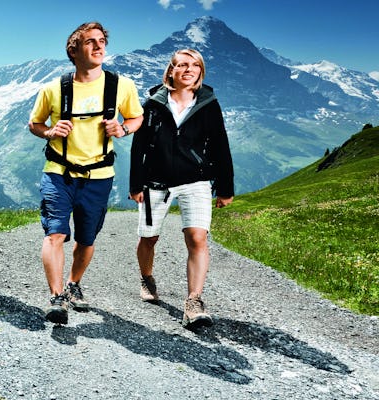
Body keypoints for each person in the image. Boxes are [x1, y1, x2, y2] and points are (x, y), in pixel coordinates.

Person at [27, 22, 144, 324]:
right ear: (74, 50)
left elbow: (136, 116)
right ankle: (56, 298)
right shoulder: (53, 89)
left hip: (99, 175)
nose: (98, 46)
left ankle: (73, 283)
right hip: (58, 173)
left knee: (87, 240)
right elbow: (35, 124)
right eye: (90, 41)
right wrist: (50, 131)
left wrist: (124, 128)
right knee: (55, 233)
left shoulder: (121, 86)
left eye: (102, 41)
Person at [129, 48, 234, 329]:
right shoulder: (153, 104)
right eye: (183, 65)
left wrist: (225, 187)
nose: (189, 70)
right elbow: (138, 146)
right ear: (171, 71)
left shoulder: (209, 104)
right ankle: (147, 278)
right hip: (156, 183)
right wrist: (135, 184)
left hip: (196, 181)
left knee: (197, 238)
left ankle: (194, 301)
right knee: (148, 238)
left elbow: (221, 146)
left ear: (200, 72)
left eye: (195, 66)